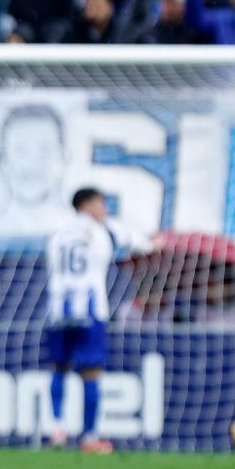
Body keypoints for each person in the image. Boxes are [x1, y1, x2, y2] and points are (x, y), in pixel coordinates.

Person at [43, 187, 153, 453]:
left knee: (59, 367)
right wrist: (152, 244)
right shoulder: (103, 229)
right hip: (90, 307)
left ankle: (57, 429)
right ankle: (90, 437)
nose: (105, 209)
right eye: (101, 203)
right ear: (87, 205)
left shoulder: (57, 234)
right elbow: (142, 244)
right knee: (91, 372)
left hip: (59, 307)